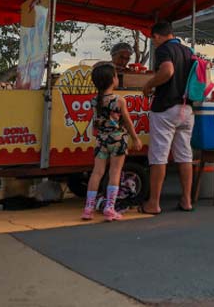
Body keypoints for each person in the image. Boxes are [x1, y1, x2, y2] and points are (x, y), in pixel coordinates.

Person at [141, 21, 195, 214]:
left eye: (153, 39)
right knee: (185, 155)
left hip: (166, 108)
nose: (154, 43)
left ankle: (154, 203)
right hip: (186, 109)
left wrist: (149, 85)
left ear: (156, 36)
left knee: (159, 156)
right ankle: (186, 200)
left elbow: (167, 71)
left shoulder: (164, 49)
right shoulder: (188, 50)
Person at [82, 63, 142, 221]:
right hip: (117, 139)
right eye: (116, 75)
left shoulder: (94, 100)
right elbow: (128, 122)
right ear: (112, 80)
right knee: (115, 172)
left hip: (101, 140)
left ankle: (88, 208)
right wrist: (135, 138)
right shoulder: (118, 100)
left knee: (97, 173)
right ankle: (109, 207)